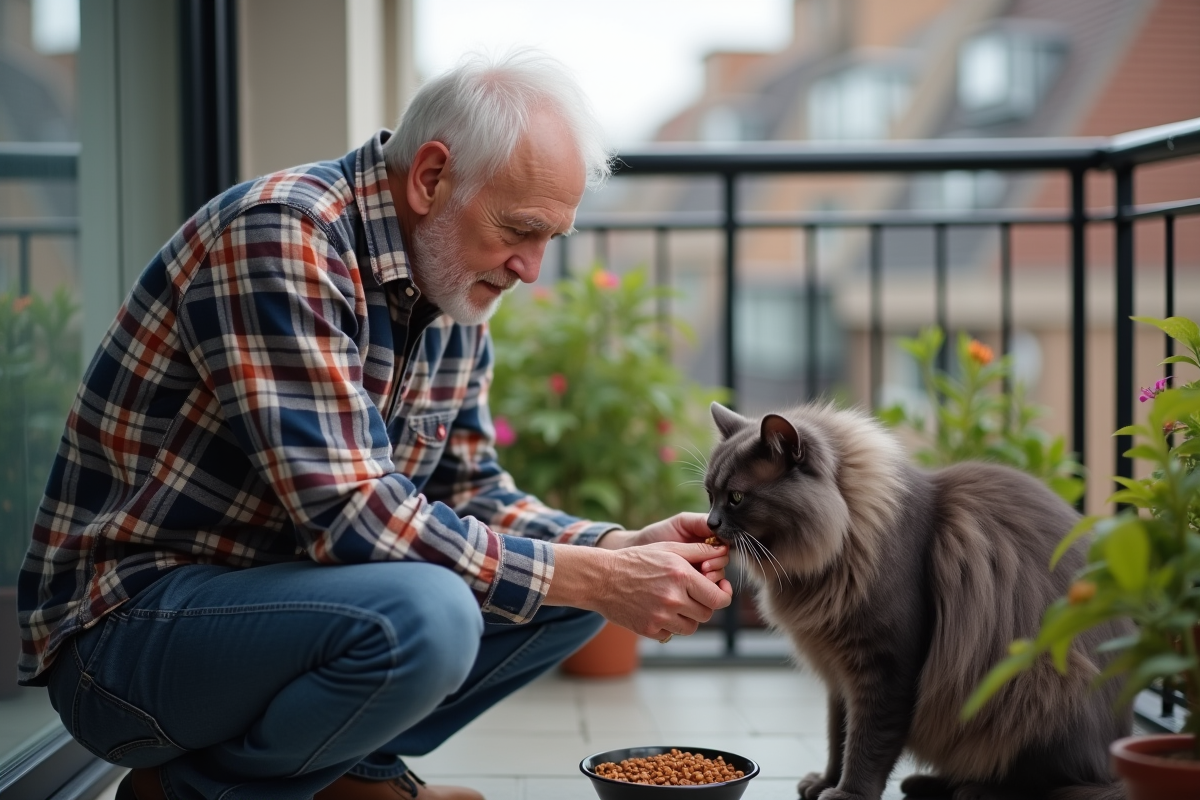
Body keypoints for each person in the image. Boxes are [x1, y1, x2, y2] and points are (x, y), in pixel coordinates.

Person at [16, 51, 733, 800]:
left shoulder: (455, 290)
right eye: (521, 230)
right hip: (129, 641)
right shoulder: (283, 236)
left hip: (282, 615)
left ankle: (351, 778)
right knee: (434, 614)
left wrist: (616, 551)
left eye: (551, 239)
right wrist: (594, 574)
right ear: (430, 178)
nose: (531, 269)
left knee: (571, 596)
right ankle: (200, 793)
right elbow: (348, 517)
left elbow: (474, 489)